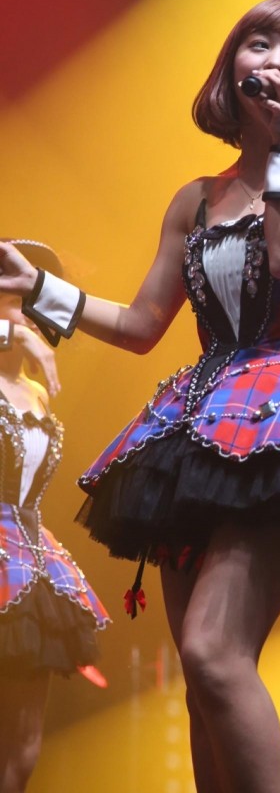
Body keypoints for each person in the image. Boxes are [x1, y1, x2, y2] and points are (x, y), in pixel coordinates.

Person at [0, 0, 280, 793]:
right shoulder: (195, 198)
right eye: (258, 43)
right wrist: (39, 292)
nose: (274, 61)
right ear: (233, 66)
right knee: (202, 691)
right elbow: (140, 325)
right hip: (194, 435)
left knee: (214, 653)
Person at [0, 240, 109, 793]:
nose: (19, 302)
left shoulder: (40, 392)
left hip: (30, 564)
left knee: (22, 743)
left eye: (28, 292)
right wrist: (11, 336)